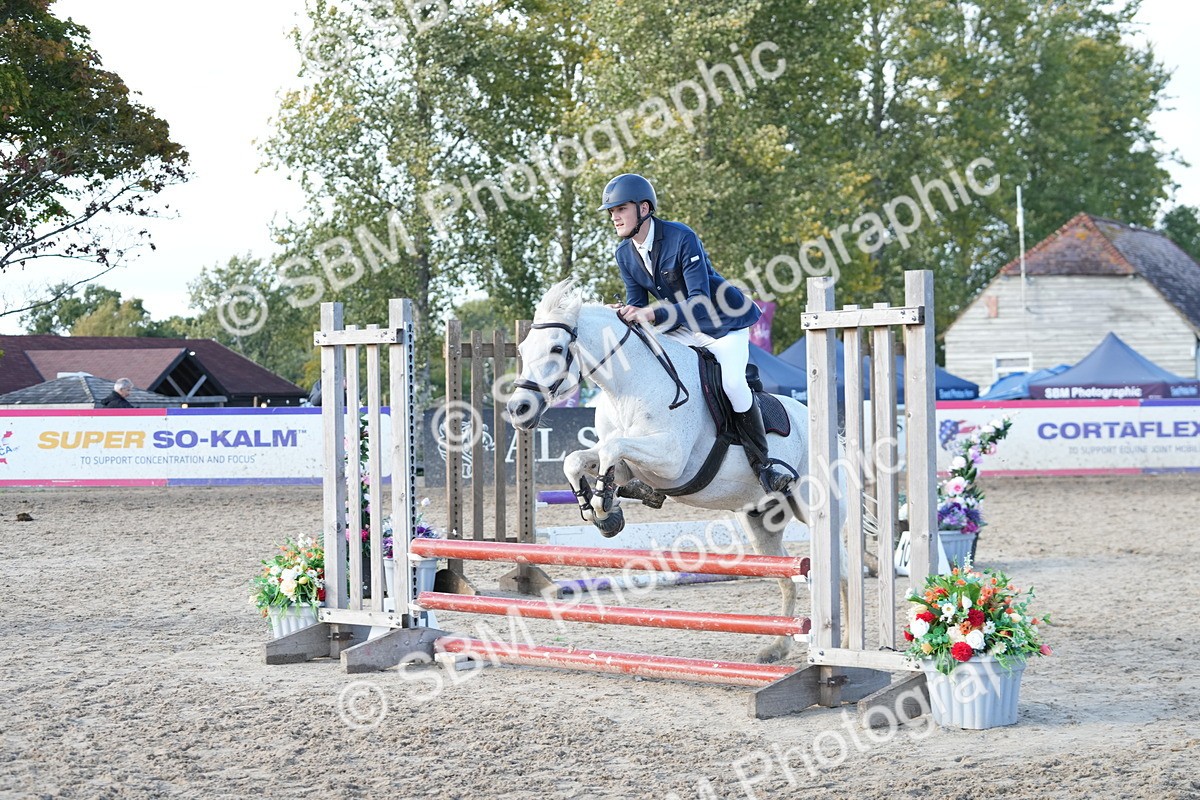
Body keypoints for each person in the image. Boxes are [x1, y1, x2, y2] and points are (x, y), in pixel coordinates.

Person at [599, 173, 793, 495]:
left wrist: (652, 313)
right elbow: (637, 304)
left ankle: (764, 466)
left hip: (722, 326)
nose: (614, 216)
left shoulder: (680, 237)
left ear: (644, 208)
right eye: (611, 211)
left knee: (732, 383)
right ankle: (651, 478)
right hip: (681, 331)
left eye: (621, 208)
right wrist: (622, 314)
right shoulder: (624, 254)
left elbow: (699, 302)